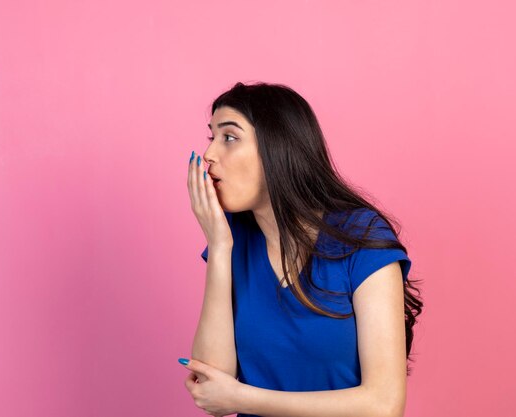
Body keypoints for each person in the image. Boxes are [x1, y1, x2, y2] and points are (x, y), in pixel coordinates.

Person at [180, 81, 424, 417]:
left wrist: (243, 399)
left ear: (276, 148)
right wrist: (219, 248)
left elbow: (384, 404)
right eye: (211, 138)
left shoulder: (361, 238)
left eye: (229, 137)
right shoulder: (233, 240)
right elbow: (211, 385)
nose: (208, 154)